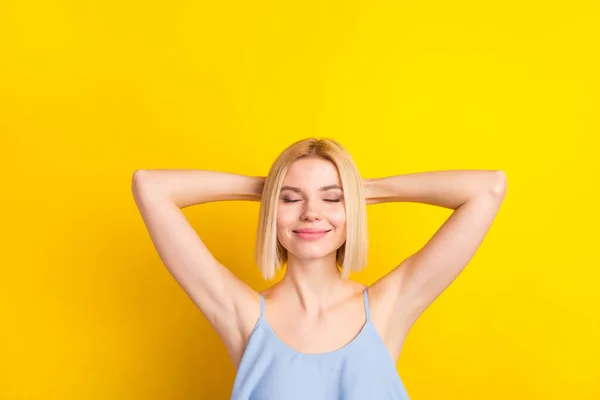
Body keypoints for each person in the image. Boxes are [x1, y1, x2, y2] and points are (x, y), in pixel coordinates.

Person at [131, 137, 507, 399]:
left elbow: (488, 188)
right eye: (292, 199)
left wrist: (364, 191)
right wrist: (268, 187)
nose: (311, 212)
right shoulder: (243, 315)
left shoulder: (387, 306)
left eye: (332, 198)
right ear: (272, 212)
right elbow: (149, 187)